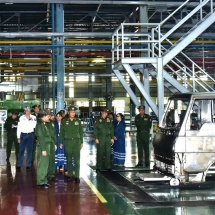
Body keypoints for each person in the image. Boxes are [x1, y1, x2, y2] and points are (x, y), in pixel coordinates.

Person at [60, 106, 83, 183]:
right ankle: (70, 175)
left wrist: (81, 142)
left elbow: (81, 132)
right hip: (68, 142)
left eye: (74, 112)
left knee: (77, 160)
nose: (73, 113)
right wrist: (60, 142)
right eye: (71, 112)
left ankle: (77, 176)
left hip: (76, 142)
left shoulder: (78, 121)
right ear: (68, 112)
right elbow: (61, 133)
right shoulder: (64, 121)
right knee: (69, 159)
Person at [35, 109, 52, 189]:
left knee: (46, 164)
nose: (49, 117)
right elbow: (41, 138)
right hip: (43, 146)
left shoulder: (44, 124)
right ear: (44, 116)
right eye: (48, 116)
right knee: (42, 164)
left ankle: (44, 180)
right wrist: (43, 149)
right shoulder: (40, 125)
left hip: (46, 146)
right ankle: (40, 182)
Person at [16, 107, 37, 171]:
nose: (28, 112)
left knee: (29, 150)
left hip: (30, 134)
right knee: (21, 150)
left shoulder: (33, 117)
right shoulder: (21, 118)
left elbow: (34, 126)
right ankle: (19, 165)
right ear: (24, 111)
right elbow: (19, 128)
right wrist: (18, 137)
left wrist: (30, 120)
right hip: (23, 135)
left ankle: (28, 165)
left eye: (29, 111)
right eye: (27, 111)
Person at [45, 109, 57, 181]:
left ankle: (51, 174)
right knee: (46, 159)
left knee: (52, 159)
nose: (50, 116)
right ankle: (45, 174)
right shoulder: (43, 123)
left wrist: (55, 143)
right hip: (46, 143)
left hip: (52, 143)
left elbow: (54, 134)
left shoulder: (52, 123)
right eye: (49, 115)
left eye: (51, 115)